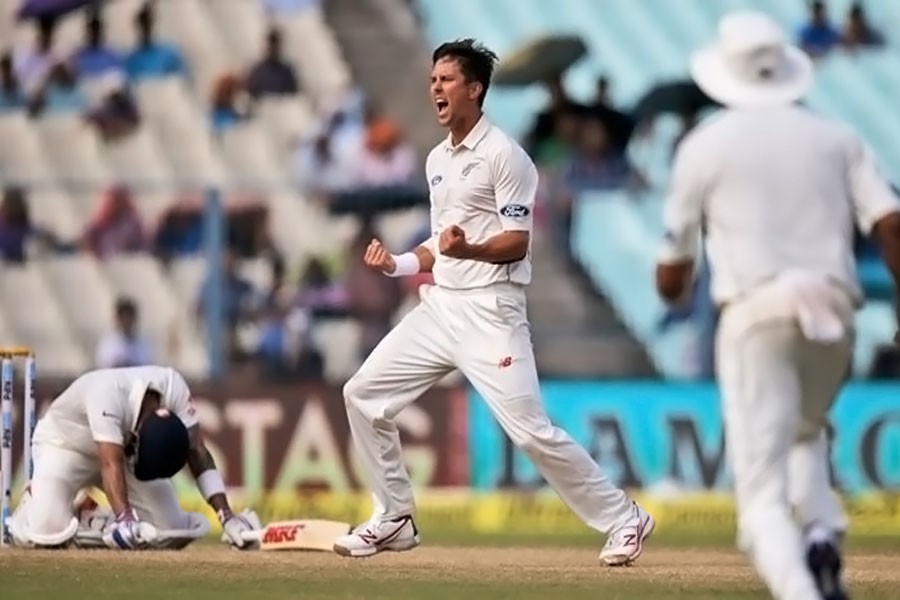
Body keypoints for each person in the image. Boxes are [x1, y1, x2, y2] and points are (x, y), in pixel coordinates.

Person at [334, 38, 654, 564]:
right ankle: (394, 517)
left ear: (475, 89)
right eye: (433, 79)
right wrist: (400, 263)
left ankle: (624, 517)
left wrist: (471, 249)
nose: (435, 86)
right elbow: (443, 242)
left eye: (447, 79)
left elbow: (516, 241)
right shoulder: (439, 159)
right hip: (442, 308)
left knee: (530, 432)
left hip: (492, 311)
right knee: (362, 394)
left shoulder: (506, 156)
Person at [654, 11, 900, 600]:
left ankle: (800, 591)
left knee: (759, 500)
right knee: (804, 431)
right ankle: (821, 533)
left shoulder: (704, 145)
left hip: (756, 313)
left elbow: (672, 272)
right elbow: (890, 223)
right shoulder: (836, 137)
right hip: (834, 313)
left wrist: (675, 288)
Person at [9, 366, 260, 550]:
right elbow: (110, 462)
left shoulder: (173, 386)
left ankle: (92, 518)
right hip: (65, 447)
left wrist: (226, 515)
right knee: (46, 531)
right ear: (138, 437)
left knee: (168, 530)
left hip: (122, 455)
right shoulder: (107, 394)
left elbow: (197, 450)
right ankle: (31, 505)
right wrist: (125, 518)